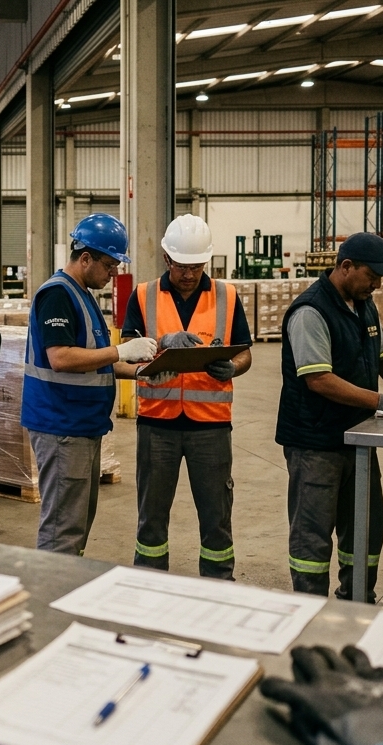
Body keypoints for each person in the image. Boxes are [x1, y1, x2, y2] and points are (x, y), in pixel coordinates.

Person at [275, 232, 383, 601]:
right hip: (316, 443)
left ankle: (357, 600)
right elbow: (318, 379)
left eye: (381, 279)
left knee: (366, 527)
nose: (377, 284)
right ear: (345, 267)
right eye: (372, 275)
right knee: (313, 535)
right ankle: (310, 609)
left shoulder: (364, 305)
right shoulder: (311, 311)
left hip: (360, 438)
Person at [122, 214, 252, 580]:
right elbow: (126, 349)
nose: (190, 274)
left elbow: (245, 352)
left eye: (197, 267)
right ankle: (149, 581)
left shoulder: (227, 295)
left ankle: (217, 583)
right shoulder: (143, 295)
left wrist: (234, 367)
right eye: (182, 267)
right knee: (152, 516)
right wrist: (162, 343)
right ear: (167, 259)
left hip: (210, 426)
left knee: (216, 516)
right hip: (156, 423)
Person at [23, 213, 157, 555]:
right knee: (61, 532)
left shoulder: (83, 296)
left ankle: (63, 589)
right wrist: (121, 350)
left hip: (82, 426)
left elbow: (96, 364)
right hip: (62, 427)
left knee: (77, 525)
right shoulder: (58, 295)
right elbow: (61, 358)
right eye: (110, 265)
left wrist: (140, 372)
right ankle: (49, 602)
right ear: (86, 258)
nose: (114, 274)